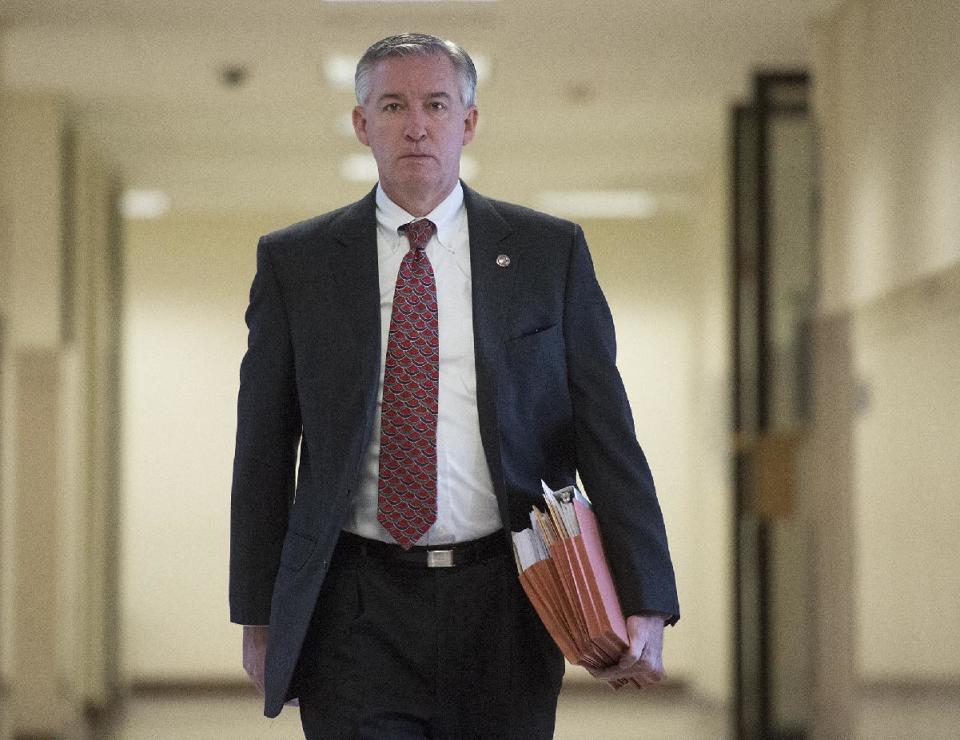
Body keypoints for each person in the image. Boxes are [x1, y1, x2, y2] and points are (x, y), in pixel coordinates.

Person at [230, 32, 679, 739]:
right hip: (354, 606)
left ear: (467, 123)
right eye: (393, 105)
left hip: (507, 599)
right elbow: (262, 451)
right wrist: (260, 616)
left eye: (437, 105)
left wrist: (646, 595)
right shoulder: (299, 263)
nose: (416, 125)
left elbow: (606, 432)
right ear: (361, 123)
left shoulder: (546, 254)